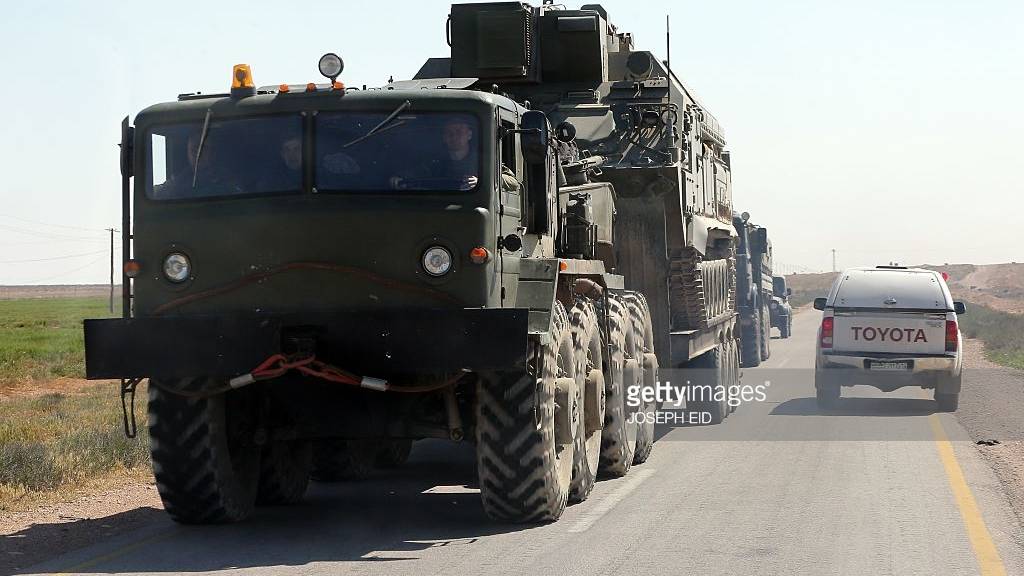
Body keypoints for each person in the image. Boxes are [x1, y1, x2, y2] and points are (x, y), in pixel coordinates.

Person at [390, 118, 479, 190]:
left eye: (459, 131)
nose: (453, 136)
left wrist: (478, 184)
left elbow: (486, 183)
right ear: (444, 138)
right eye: (449, 132)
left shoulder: (480, 161)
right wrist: (399, 178)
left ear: (469, 135)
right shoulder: (436, 162)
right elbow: (417, 173)